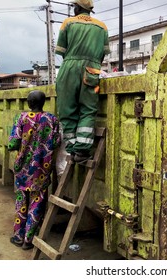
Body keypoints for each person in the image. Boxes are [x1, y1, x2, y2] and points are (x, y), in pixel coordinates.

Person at [55, 0, 110, 162]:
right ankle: (83, 151)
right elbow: (103, 54)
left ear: (78, 7)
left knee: (67, 109)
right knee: (88, 109)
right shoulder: (102, 27)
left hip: (69, 68)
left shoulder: (68, 23)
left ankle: (72, 148)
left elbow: (61, 51)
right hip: (92, 70)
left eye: (74, 6)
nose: (73, 9)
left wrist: (75, 61)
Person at [7, 90, 61, 250]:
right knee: (37, 202)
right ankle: (29, 240)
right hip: (41, 169)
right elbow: (57, 142)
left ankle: (18, 236)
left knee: (21, 201)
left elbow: (13, 144)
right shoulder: (52, 119)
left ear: (29, 103)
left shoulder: (21, 118)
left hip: (22, 168)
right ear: (43, 102)